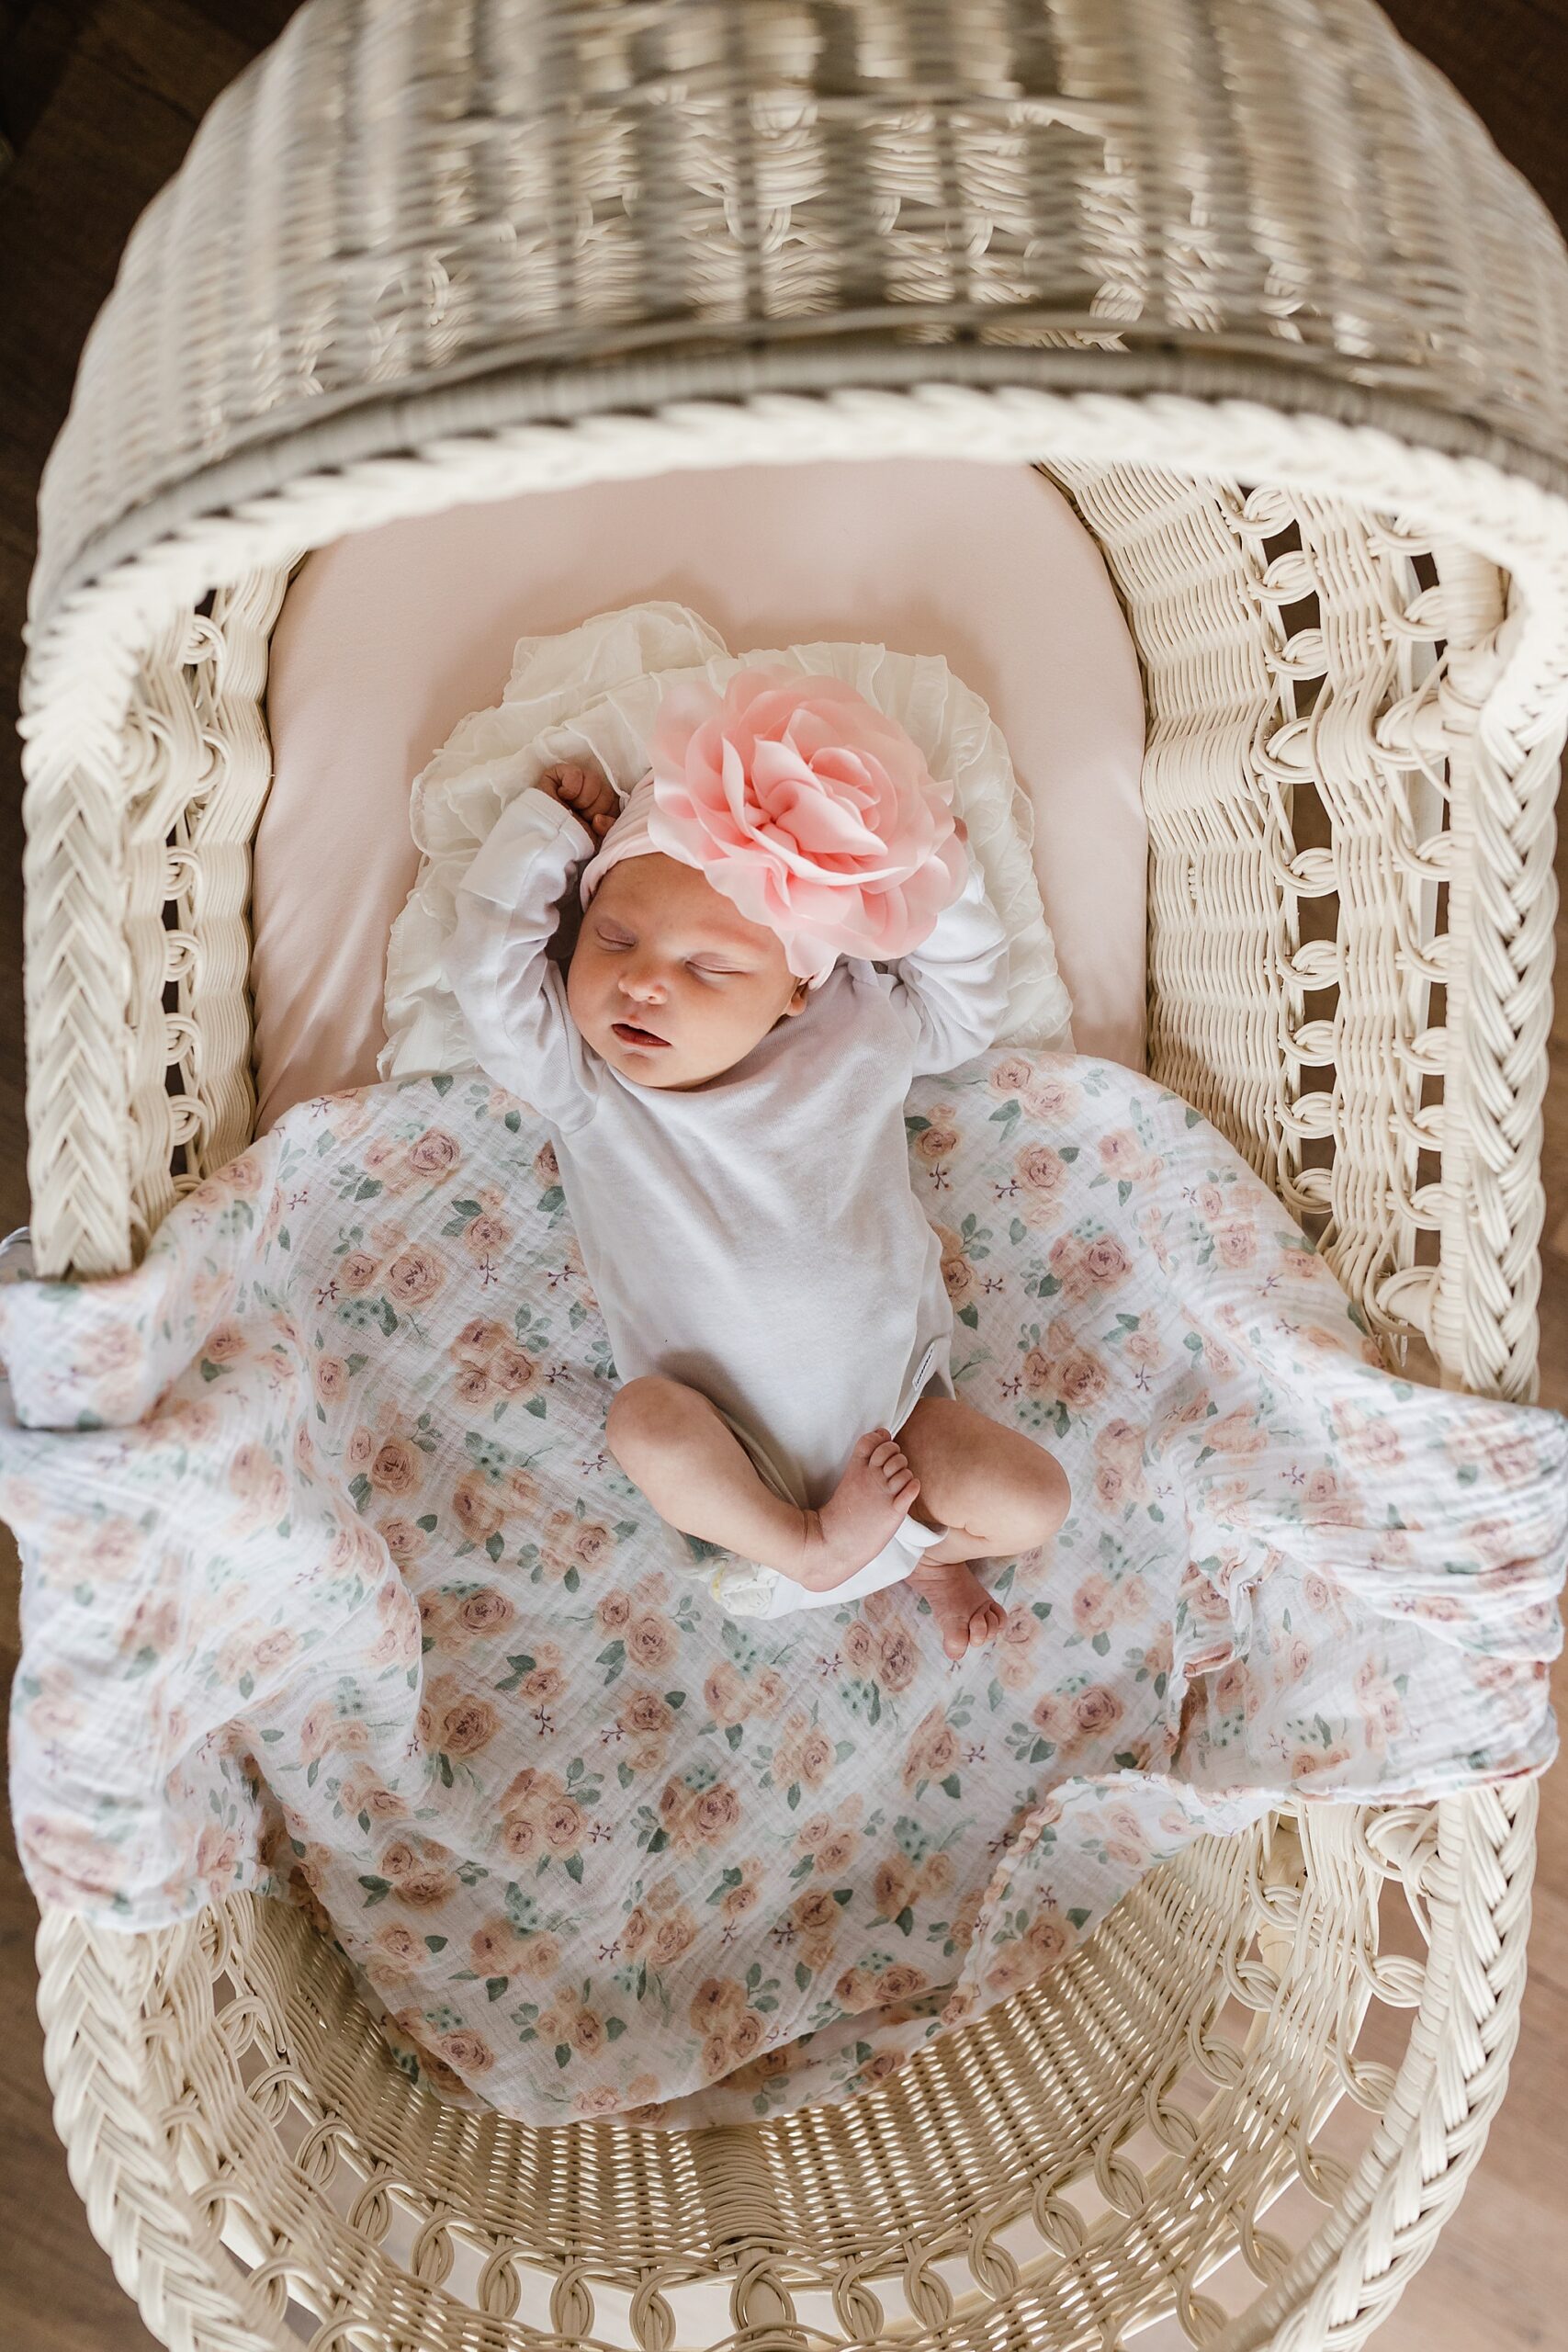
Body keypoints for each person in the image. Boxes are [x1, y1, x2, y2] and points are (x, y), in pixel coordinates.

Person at [443, 665, 1068, 1656]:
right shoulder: (590, 1081)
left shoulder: (860, 1025)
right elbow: (488, 974)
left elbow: (969, 996)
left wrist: (896, 867)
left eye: (709, 967)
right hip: (730, 1459)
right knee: (644, 1422)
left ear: (793, 990)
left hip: (900, 1430)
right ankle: (813, 1545)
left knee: (1035, 1499)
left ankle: (928, 1557)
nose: (644, 984)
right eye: (613, 939)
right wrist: (548, 838)